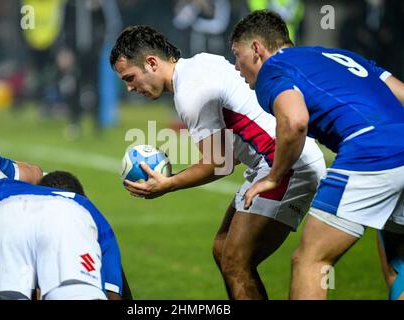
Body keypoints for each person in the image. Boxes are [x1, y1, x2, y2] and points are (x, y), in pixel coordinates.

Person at [110, 25, 325, 299]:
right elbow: (231, 153)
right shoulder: (202, 62)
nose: (129, 88)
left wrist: (168, 184)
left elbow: (219, 163)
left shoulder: (190, 93)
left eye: (130, 77)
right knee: (223, 248)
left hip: (287, 165)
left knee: (235, 260)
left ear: (151, 63)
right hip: (275, 162)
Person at [230, 9, 404, 299]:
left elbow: (295, 121)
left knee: (311, 261)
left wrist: (274, 177)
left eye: (237, 55)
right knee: (398, 261)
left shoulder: (273, 70)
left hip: (369, 153)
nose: (236, 66)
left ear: (257, 49)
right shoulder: (341, 56)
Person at [0, 166, 126, 300]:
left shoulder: (3, 185)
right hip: (67, 218)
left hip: (5, 214)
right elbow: (113, 291)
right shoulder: (83, 205)